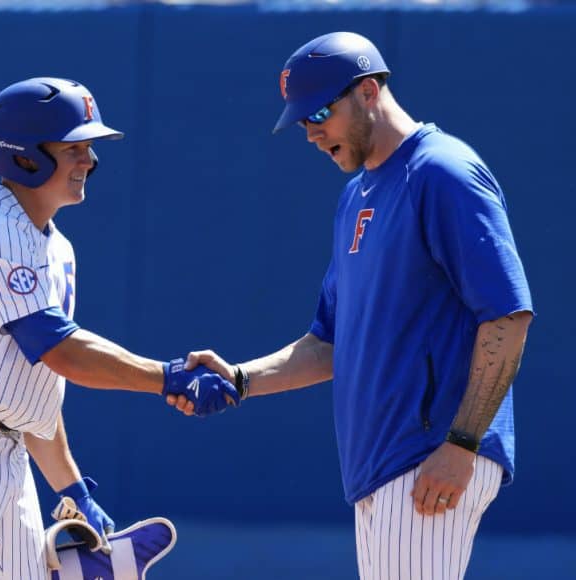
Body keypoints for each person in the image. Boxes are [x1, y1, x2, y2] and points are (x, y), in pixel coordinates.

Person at [168, 32, 534, 579]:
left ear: (367, 91)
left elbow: (507, 316)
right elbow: (329, 343)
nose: (312, 133)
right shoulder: (357, 195)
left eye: (319, 112)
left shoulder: (442, 171)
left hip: (428, 455)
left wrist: (461, 444)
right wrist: (241, 378)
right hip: (384, 463)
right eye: (302, 121)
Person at [0, 77, 239, 580]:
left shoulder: (56, 247)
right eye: (74, 148)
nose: (90, 160)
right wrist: (168, 376)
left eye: (89, 147)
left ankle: (76, 567)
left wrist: (73, 490)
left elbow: (35, 389)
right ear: (24, 156)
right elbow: (61, 350)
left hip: (7, 451)